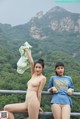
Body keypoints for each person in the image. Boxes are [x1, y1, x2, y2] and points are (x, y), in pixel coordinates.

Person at [4, 48, 46, 119]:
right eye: (36, 67)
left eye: (39, 67)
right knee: (6, 108)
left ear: (42, 68)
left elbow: (39, 93)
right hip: (26, 102)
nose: (37, 69)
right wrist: (27, 51)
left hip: (33, 102)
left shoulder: (43, 78)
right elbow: (31, 62)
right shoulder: (33, 75)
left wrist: (38, 105)